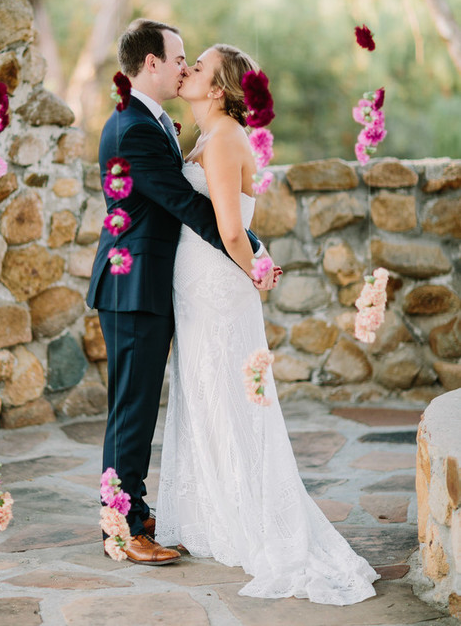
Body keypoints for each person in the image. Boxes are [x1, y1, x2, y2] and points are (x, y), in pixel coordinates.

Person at [156, 43, 380, 604]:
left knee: (233, 400)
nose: (187, 71)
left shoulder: (224, 140)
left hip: (218, 290)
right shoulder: (205, 136)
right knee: (205, 396)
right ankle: (217, 513)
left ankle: (252, 520)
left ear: (218, 88)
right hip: (198, 287)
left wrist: (255, 268)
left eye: (198, 67)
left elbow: (230, 229)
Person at [87, 20, 277, 566]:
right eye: (178, 58)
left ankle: (132, 506)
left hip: (149, 284)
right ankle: (123, 529)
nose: (183, 67)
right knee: (132, 411)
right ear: (151, 63)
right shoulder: (134, 127)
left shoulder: (151, 121)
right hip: (133, 287)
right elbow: (188, 205)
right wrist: (255, 252)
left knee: (138, 406)